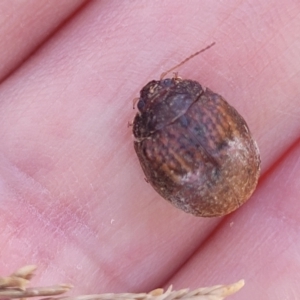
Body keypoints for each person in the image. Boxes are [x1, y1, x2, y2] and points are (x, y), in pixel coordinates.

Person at [0, 1, 299, 299]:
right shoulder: (179, 116)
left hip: (218, 183)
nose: (150, 91)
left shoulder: (152, 138)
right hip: (231, 175)